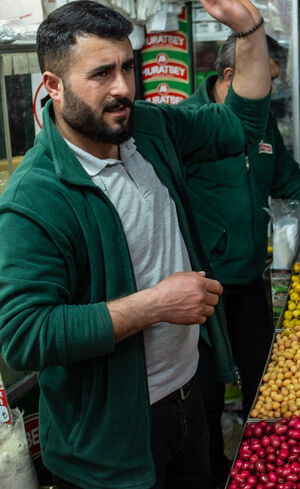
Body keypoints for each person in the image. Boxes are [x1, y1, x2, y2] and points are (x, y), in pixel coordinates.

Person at [0, 0, 272, 487]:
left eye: (128, 67)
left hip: (190, 391)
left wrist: (250, 31)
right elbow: (25, 337)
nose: (123, 88)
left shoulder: (147, 128)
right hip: (111, 442)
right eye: (101, 73)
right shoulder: (34, 199)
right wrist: (155, 304)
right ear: (53, 86)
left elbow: (242, 125)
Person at [182, 34, 300, 484]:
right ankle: (210, 473)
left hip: (248, 279)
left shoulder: (262, 125)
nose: (273, 93)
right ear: (231, 76)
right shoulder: (186, 124)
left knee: (264, 376)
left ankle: (263, 467)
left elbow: (288, 179)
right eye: (268, 81)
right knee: (204, 391)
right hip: (199, 288)